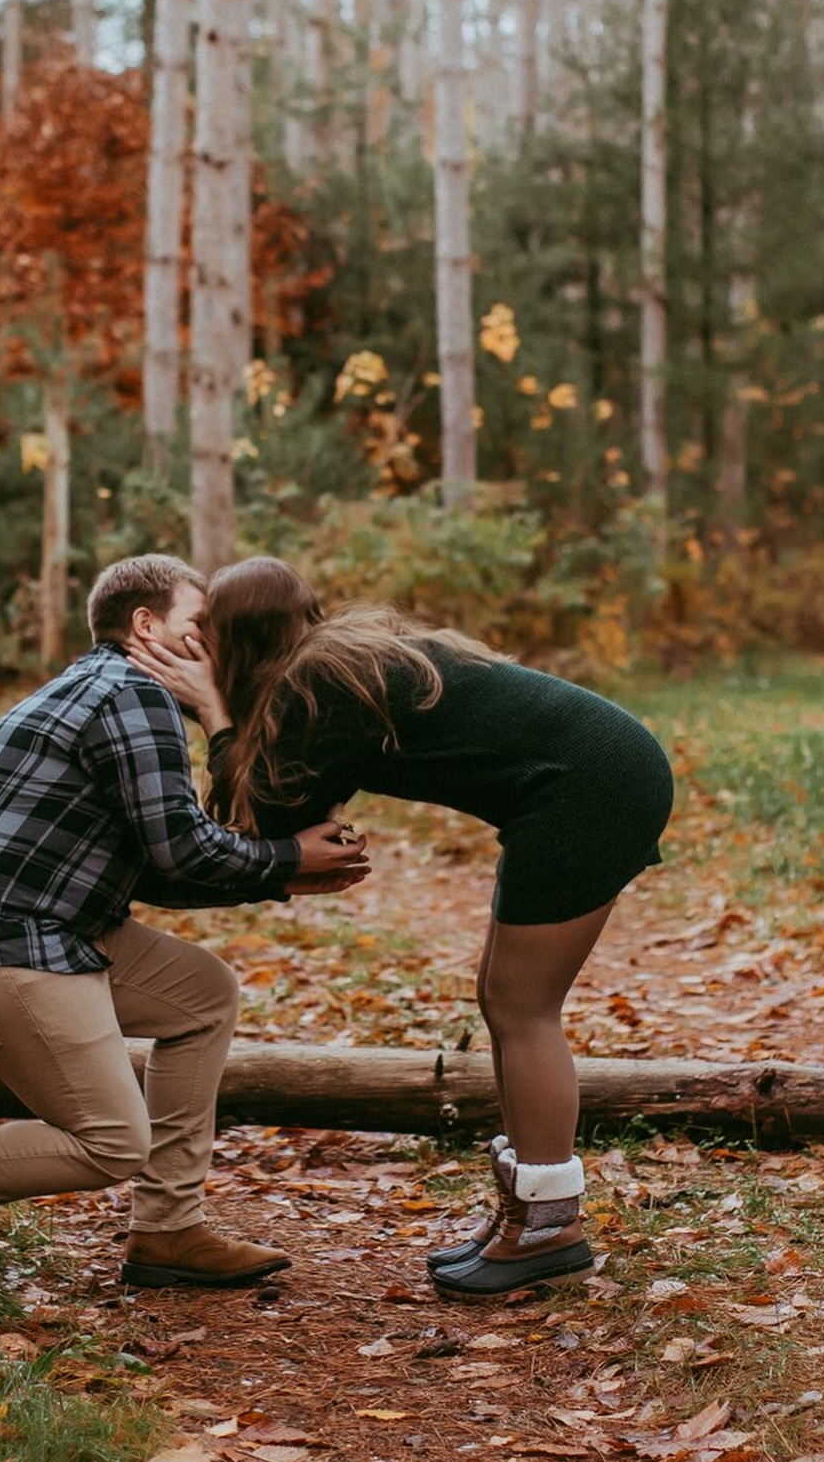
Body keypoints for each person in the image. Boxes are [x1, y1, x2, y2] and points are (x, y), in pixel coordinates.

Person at [0, 554, 369, 1289]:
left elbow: (156, 867)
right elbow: (181, 845)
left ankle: (169, 1230)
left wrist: (284, 874)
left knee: (201, 995)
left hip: (44, 925)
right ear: (146, 624)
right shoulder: (131, 694)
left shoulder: (102, 687)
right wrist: (283, 853)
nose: (214, 644)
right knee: (111, 1141)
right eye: (199, 624)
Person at [126, 556, 673, 1300]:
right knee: (503, 1000)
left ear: (239, 643)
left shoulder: (314, 686)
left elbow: (270, 817)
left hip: (591, 788)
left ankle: (549, 1232)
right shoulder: (337, 660)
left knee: (523, 1008)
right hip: (597, 773)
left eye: (207, 640)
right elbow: (293, 807)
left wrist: (216, 714)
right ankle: (527, 1215)